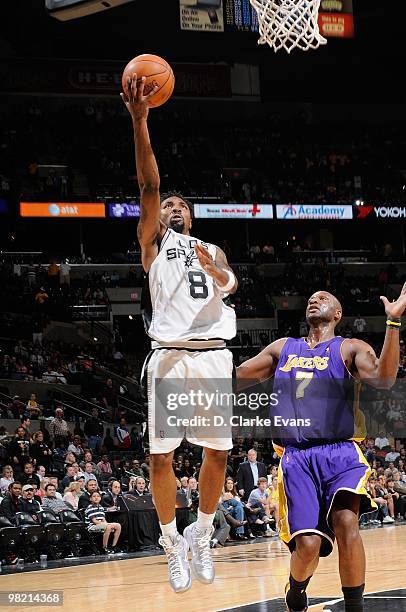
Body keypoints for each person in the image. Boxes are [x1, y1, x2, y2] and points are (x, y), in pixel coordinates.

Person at [121, 75, 237, 593]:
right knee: (161, 456)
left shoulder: (210, 247)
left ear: (192, 215)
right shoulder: (154, 243)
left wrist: (219, 274)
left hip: (213, 355)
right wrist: (141, 121)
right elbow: (148, 185)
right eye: (168, 204)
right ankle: (171, 542)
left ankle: (203, 531)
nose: (173, 206)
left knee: (219, 453)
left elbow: (232, 284)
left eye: (180, 204)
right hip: (169, 354)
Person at [237, 287, 406, 612]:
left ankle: (355, 608)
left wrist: (393, 323)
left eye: (324, 297)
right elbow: (240, 376)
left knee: (346, 522)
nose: (315, 299)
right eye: (311, 298)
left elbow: (384, 381)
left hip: (341, 451)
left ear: (338, 314)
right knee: (309, 546)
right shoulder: (283, 348)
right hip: (297, 457)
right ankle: (297, 587)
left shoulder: (349, 347)